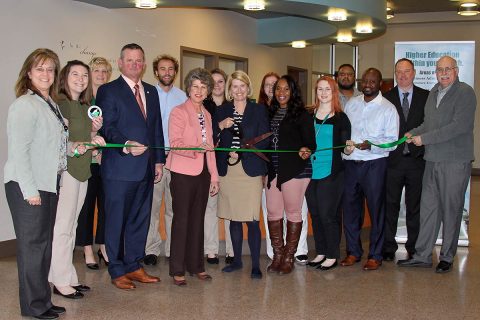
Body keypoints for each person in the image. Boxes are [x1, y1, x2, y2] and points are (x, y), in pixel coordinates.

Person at [398, 56, 476, 273]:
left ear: (456, 70)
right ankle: (422, 255)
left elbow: (458, 127)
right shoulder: (433, 92)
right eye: (439, 69)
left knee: (451, 210)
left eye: (447, 69)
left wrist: (425, 139)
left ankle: (447, 257)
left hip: (454, 161)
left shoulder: (465, 93)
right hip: (431, 160)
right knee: (428, 209)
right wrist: (413, 133)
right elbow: (428, 124)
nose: (443, 73)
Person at [96, 43, 166, 290]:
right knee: (116, 221)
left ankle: (134, 265)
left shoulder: (150, 91)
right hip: (119, 169)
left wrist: (158, 160)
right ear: (120, 63)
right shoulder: (108, 91)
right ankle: (116, 269)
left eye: (139, 61)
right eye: (130, 60)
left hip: (146, 168)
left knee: (140, 219)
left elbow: (156, 128)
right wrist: (125, 143)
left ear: (144, 65)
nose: (135, 65)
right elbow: (108, 127)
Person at [4, 48, 67, 320]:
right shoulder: (24, 105)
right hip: (27, 185)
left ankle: (43, 300)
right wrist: (29, 191)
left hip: (48, 182)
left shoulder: (48, 103)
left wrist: (73, 150)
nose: (46, 74)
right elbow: (19, 152)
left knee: (43, 246)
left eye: (50, 69)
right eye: (40, 69)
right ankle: (33, 306)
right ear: (28, 73)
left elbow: (51, 145)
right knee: (32, 247)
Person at [48, 60, 106, 299]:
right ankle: (59, 280)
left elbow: (84, 139)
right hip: (68, 172)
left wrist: (96, 135)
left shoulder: (83, 106)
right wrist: (80, 144)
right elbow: (59, 140)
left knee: (71, 226)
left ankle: (67, 276)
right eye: (75, 74)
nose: (81, 79)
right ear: (64, 77)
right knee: (63, 227)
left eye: (85, 75)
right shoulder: (61, 104)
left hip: (83, 171)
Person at [341, 68, 399, 271]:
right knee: (350, 211)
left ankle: (375, 255)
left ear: (380, 84)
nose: (367, 84)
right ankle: (353, 252)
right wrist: (344, 148)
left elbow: (392, 142)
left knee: (376, 211)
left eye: (372, 81)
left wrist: (371, 144)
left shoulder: (388, 109)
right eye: (365, 81)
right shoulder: (352, 104)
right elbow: (344, 132)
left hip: (375, 164)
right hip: (351, 164)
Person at [167, 68, 219, 286]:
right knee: (182, 221)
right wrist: (197, 148)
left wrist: (215, 177)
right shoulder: (178, 112)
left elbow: (211, 149)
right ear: (188, 88)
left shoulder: (207, 114)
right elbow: (175, 143)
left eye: (203, 86)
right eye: (195, 86)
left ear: (208, 91)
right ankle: (177, 269)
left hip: (203, 173)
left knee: (198, 220)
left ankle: (196, 265)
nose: (199, 90)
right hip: (182, 172)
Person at [216, 70, 269, 279]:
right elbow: (212, 136)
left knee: (252, 220)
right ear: (230, 90)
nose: (238, 90)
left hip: (251, 169)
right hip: (228, 170)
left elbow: (265, 138)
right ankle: (237, 260)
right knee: (234, 219)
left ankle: (255, 264)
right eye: (234, 86)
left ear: (248, 88)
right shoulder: (222, 110)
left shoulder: (258, 110)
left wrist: (244, 148)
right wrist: (221, 126)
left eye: (242, 86)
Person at [265, 75, 316, 275]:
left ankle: (289, 257)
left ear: (293, 91)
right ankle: (278, 255)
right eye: (278, 89)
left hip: (295, 170)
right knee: (273, 212)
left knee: (293, 212)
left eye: (286, 89)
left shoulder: (301, 114)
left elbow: (311, 143)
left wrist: (306, 148)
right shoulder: (269, 112)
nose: (282, 93)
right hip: (273, 170)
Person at [382, 58, 429, 262]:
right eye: (399, 72)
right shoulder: (385, 98)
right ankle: (388, 246)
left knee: (414, 206)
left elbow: (430, 125)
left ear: (414, 73)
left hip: (417, 161)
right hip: (392, 162)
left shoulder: (426, 97)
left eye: (407, 71)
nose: (402, 75)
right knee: (390, 205)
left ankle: (413, 247)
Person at [305, 76, 352, 271]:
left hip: (331, 173)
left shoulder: (341, 118)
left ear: (334, 93)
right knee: (315, 214)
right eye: (320, 89)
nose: (323, 93)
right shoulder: (308, 115)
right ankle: (321, 251)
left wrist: (349, 149)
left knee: (328, 215)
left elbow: (345, 148)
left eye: (327, 89)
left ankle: (333, 253)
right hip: (310, 172)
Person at [144, 54, 187, 265]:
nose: (167, 73)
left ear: (175, 72)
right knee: (152, 206)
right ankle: (151, 249)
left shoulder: (184, 97)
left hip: (178, 159)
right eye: (162, 69)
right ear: (155, 72)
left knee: (174, 208)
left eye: (170, 69)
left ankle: (172, 250)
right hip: (154, 159)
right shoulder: (148, 94)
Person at [75, 57, 113, 269]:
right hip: (87, 161)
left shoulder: (110, 98)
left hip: (107, 161)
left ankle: (104, 245)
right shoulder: (82, 100)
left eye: (105, 71)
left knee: (106, 205)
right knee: (87, 206)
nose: (101, 75)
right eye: (96, 70)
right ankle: (87, 248)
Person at [203, 68, 234, 265]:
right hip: (208, 163)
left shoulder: (234, 106)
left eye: (221, 81)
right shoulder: (202, 106)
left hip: (230, 163)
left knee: (230, 209)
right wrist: (219, 126)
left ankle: (232, 250)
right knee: (210, 208)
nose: (217, 85)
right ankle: (211, 250)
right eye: (213, 82)